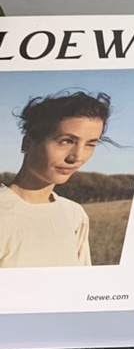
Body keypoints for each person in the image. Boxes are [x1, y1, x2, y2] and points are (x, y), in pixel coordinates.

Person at [0, 90, 112, 268]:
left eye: (90, 144)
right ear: (28, 142)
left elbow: (80, 283)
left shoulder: (75, 215)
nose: (77, 157)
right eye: (66, 141)